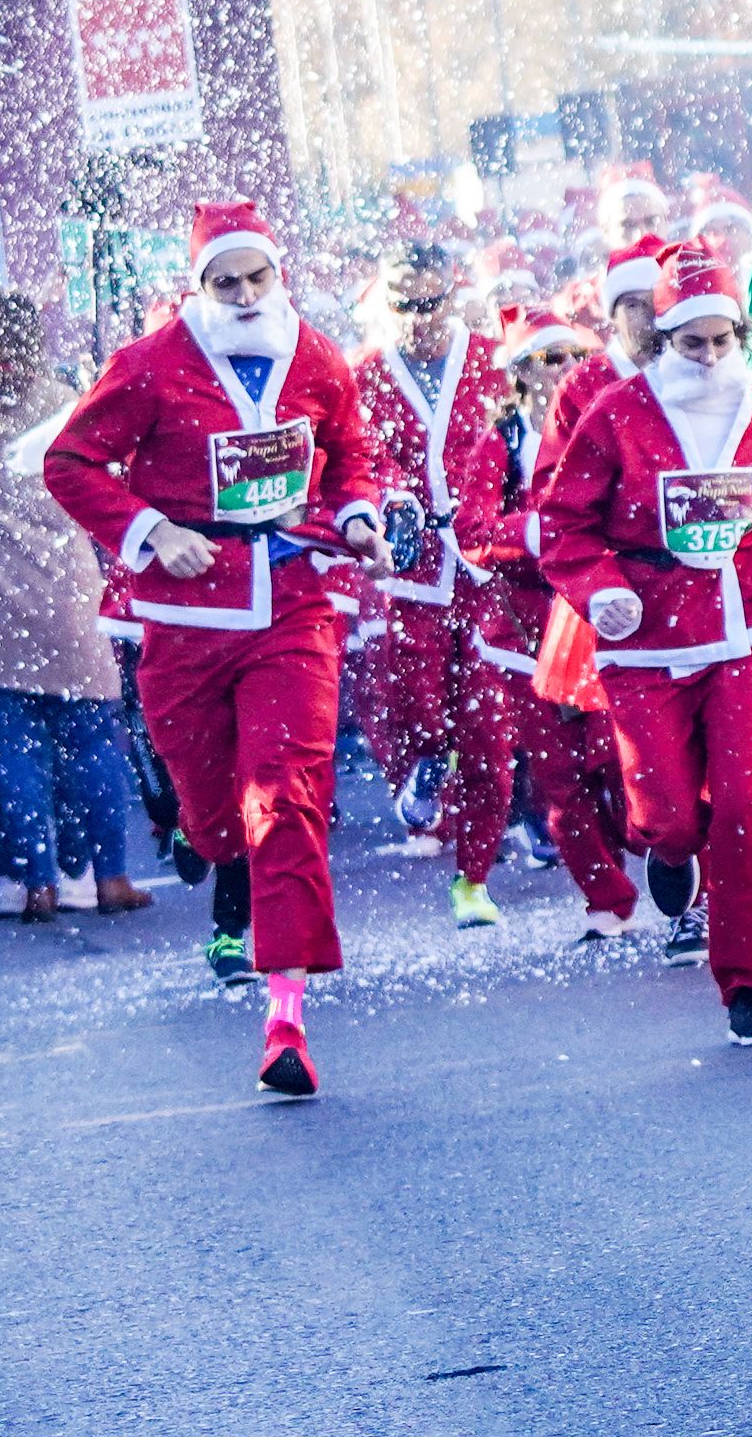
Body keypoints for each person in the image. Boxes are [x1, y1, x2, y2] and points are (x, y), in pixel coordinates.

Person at [42, 199, 388, 1096]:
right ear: (198, 286)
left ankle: (286, 1018)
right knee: (214, 814)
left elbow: (350, 450)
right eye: (223, 281)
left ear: (279, 273)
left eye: (255, 276)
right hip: (188, 620)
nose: (242, 294)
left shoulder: (314, 355)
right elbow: (69, 463)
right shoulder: (150, 364)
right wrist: (152, 531)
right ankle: (212, 847)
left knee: (286, 796)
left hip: (294, 609)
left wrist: (356, 515)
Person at [539, 243, 752, 1043]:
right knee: (670, 811)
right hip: (644, 636)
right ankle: (668, 847)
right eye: (692, 342)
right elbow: (563, 522)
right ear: (663, 338)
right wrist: (601, 589)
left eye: (723, 340)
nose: (711, 357)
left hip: (740, 621)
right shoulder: (615, 414)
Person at [0, 282, 146, 923]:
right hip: (65, 594)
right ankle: (109, 875)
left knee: (11, 751)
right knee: (92, 741)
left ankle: (36, 884)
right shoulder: (63, 405)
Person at [449, 319, 641, 937]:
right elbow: (472, 532)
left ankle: (660, 853)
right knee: (560, 776)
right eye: (551, 357)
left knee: (621, 759)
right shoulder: (502, 442)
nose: (567, 366)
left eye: (578, 353)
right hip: (524, 635)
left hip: (604, 622)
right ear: (523, 372)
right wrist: (541, 532)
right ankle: (606, 897)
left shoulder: (615, 420)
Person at [346, 241, 499, 870]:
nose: (418, 318)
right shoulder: (366, 372)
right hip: (411, 559)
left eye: (429, 302)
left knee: (489, 695)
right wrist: (392, 498)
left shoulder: (490, 361)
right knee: (415, 687)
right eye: (402, 305)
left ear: (453, 294)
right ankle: (431, 762)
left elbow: (509, 445)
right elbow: (358, 452)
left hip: (483, 553)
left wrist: (490, 508)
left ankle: (498, 820)